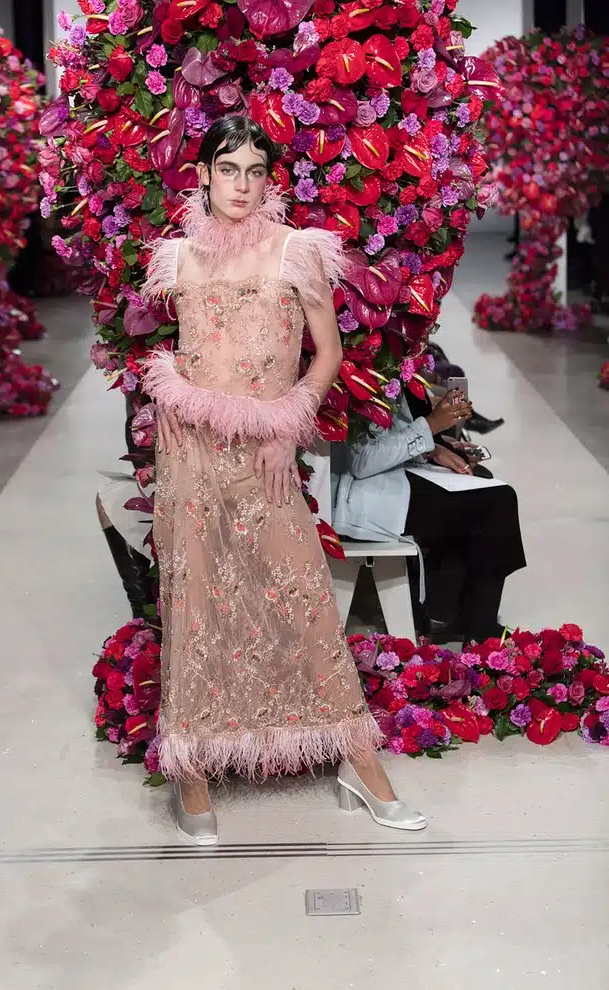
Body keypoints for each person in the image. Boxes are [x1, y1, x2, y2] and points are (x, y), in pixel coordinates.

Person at [140, 116, 425, 845]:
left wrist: (287, 425)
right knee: (194, 594)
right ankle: (193, 770)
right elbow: (190, 348)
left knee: (298, 594)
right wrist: (168, 388)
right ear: (201, 174)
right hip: (191, 451)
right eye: (226, 168)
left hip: (266, 450)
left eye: (254, 170)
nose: (240, 184)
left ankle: (361, 766)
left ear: (271, 180)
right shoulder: (176, 259)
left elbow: (325, 354)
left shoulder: (298, 251)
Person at [332, 385, 526, 646]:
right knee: (498, 501)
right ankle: (479, 627)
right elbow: (363, 460)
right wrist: (431, 426)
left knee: (481, 481)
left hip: (390, 475)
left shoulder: (386, 361)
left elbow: (389, 434)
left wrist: (432, 448)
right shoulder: (360, 370)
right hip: (358, 494)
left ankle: (447, 613)